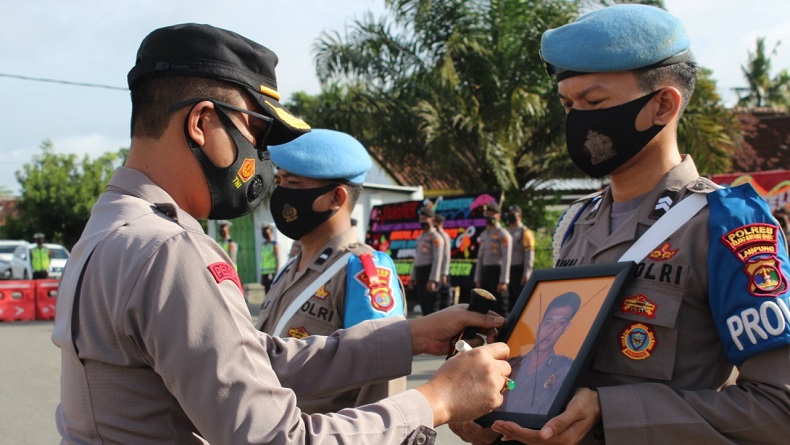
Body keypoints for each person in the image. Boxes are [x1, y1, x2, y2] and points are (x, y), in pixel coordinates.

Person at [52, 23, 514, 445]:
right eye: (255, 133)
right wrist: (437, 400)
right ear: (201, 122)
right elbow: (276, 438)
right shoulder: (171, 249)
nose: (261, 158)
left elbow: (248, 360)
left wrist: (408, 337)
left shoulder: (111, 227)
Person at [451, 5, 790, 445]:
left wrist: (611, 414)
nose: (576, 120)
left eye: (594, 103)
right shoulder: (576, 221)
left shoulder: (724, 225)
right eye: (568, 105)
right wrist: (492, 417)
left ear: (662, 105)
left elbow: (777, 410)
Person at [255, 128, 408, 413]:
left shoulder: (363, 272)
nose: (281, 193)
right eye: (279, 181)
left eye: (293, 183)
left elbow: (382, 388)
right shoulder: (292, 266)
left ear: (336, 197)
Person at [498, 292, 580, 416]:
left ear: (566, 328)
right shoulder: (509, 365)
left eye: (561, 323)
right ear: (539, 324)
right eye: (548, 322)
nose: (551, 330)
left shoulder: (564, 370)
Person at [473, 202, 512, 316]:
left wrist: (504, 280)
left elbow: (506, 258)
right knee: (485, 307)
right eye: (487, 214)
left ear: (498, 216)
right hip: (485, 273)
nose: (489, 217)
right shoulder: (484, 234)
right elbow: (480, 258)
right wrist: (477, 278)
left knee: (500, 308)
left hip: (497, 273)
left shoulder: (503, 234)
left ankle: (503, 333)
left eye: (492, 214)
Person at [409, 207, 445, 316]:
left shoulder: (436, 237)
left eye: (425, 219)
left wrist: (433, 279)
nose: (423, 222)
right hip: (420, 273)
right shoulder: (420, 237)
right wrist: (412, 277)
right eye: (421, 219)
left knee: (432, 307)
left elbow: (437, 259)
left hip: (429, 273)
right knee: (423, 305)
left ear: (432, 220)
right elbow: (417, 259)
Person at [504, 205, 535, 310]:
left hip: (519, 271)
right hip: (508, 271)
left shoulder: (525, 232)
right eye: (509, 215)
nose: (510, 217)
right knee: (509, 303)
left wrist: (527, 273)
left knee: (521, 303)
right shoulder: (506, 232)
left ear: (520, 215)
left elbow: (529, 254)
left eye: (513, 215)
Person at [434, 213, 454, 309]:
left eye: (436, 222)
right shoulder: (433, 235)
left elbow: (446, 256)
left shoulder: (444, 236)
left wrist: (444, 273)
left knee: (444, 297)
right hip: (435, 270)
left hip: (443, 271)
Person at [260, 224, 279, 293]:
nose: (264, 232)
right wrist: (262, 276)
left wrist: (277, 274)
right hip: (265, 273)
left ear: (271, 231)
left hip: (272, 273)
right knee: (266, 293)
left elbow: (278, 260)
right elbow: (263, 261)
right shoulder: (264, 245)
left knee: (272, 292)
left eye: (266, 230)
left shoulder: (274, 245)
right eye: (263, 231)